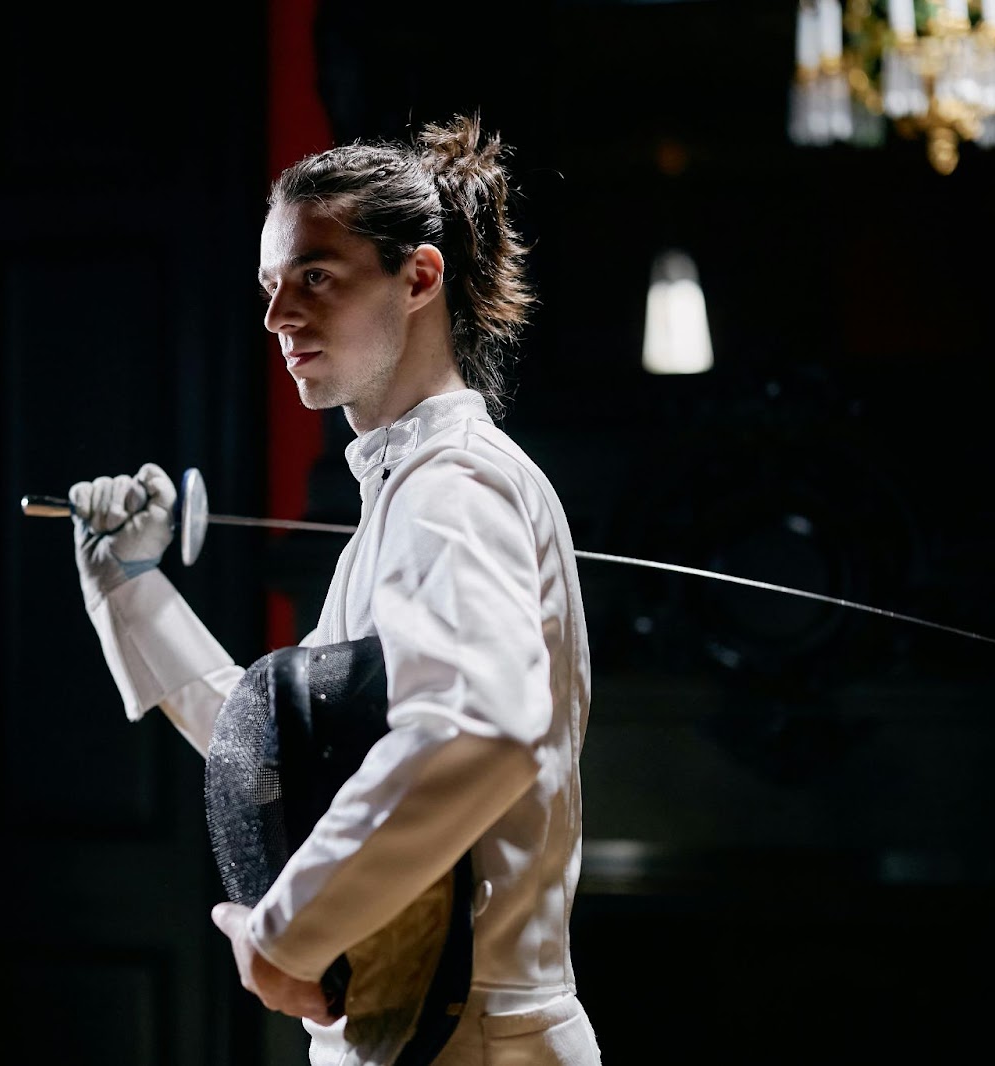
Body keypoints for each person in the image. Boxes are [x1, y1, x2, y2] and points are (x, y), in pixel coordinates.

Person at [67, 113, 601, 1065]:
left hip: (473, 1040)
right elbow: (278, 742)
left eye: (315, 276)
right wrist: (129, 584)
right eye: (272, 288)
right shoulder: (408, 489)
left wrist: (288, 930)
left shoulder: (450, 486)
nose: (278, 318)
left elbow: (480, 725)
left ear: (419, 277)